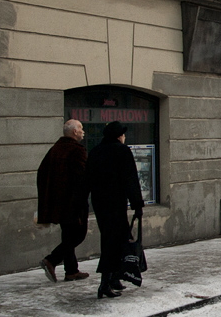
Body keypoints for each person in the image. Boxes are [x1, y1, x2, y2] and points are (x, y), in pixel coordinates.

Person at [86, 121, 144, 299]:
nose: (124, 137)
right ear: (118, 136)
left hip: (100, 203)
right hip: (116, 203)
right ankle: (105, 283)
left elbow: (87, 179)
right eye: (122, 134)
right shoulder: (122, 151)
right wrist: (137, 205)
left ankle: (114, 278)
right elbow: (130, 179)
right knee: (113, 242)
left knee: (115, 238)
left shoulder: (95, 151)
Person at [37, 119, 90, 282]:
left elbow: (42, 173)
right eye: (81, 128)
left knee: (67, 235)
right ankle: (51, 260)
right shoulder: (77, 150)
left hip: (59, 203)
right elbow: (82, 177)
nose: (83, 131)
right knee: (78, 235)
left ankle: (71, 271)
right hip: (73, 203)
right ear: (74, 132)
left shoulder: (55, 149)